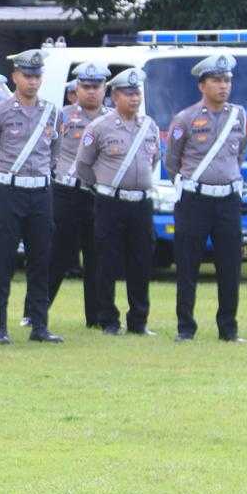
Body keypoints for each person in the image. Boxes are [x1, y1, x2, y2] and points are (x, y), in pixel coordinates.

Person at [164, 53, 247, 342]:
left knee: (230, 266)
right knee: (187, 265)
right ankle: (185, 328)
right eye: (216, 80)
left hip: (228, 200)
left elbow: (240, 153)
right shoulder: (185, 119)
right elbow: (172, 162)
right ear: (202, 85)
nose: (223, 86)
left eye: (227, 80)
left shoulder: (240, 117)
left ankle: (229, 329)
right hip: (194, 200)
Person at [0, 49, 62, 344]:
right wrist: (2, 181)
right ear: (15, 77)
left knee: (41, 260)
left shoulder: (52, 112)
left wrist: (43, 174)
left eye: (36, 76)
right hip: (9, 191)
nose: (32, 81)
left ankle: (39, 325)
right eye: (27, 76)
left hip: (41, 192)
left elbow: (55, 148)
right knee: (2, 260)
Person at [74, 68, 161, 336]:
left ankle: (139, 321)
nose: (134, 98)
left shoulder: (149, 126)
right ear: (115, 96)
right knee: (106, 262)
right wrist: (103, 186)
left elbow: (154, 159)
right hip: (110, 202)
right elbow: (83, 166)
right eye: (128, 93)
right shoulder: (99, 127)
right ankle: (108, 319)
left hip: (141, 204)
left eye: (137, 93)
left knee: (141, 262)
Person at [47, 62, 109, 328]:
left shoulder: (112, 119)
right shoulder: (61, 116)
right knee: (58, 254)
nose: (91, 92)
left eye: (97, 86)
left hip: (99, 194)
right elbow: (46, 147)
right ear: (76, 89)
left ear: (105, 88)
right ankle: (36, 311)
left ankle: (95, 318)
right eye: (86, 86)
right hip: (66, 192)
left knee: (97, 255)